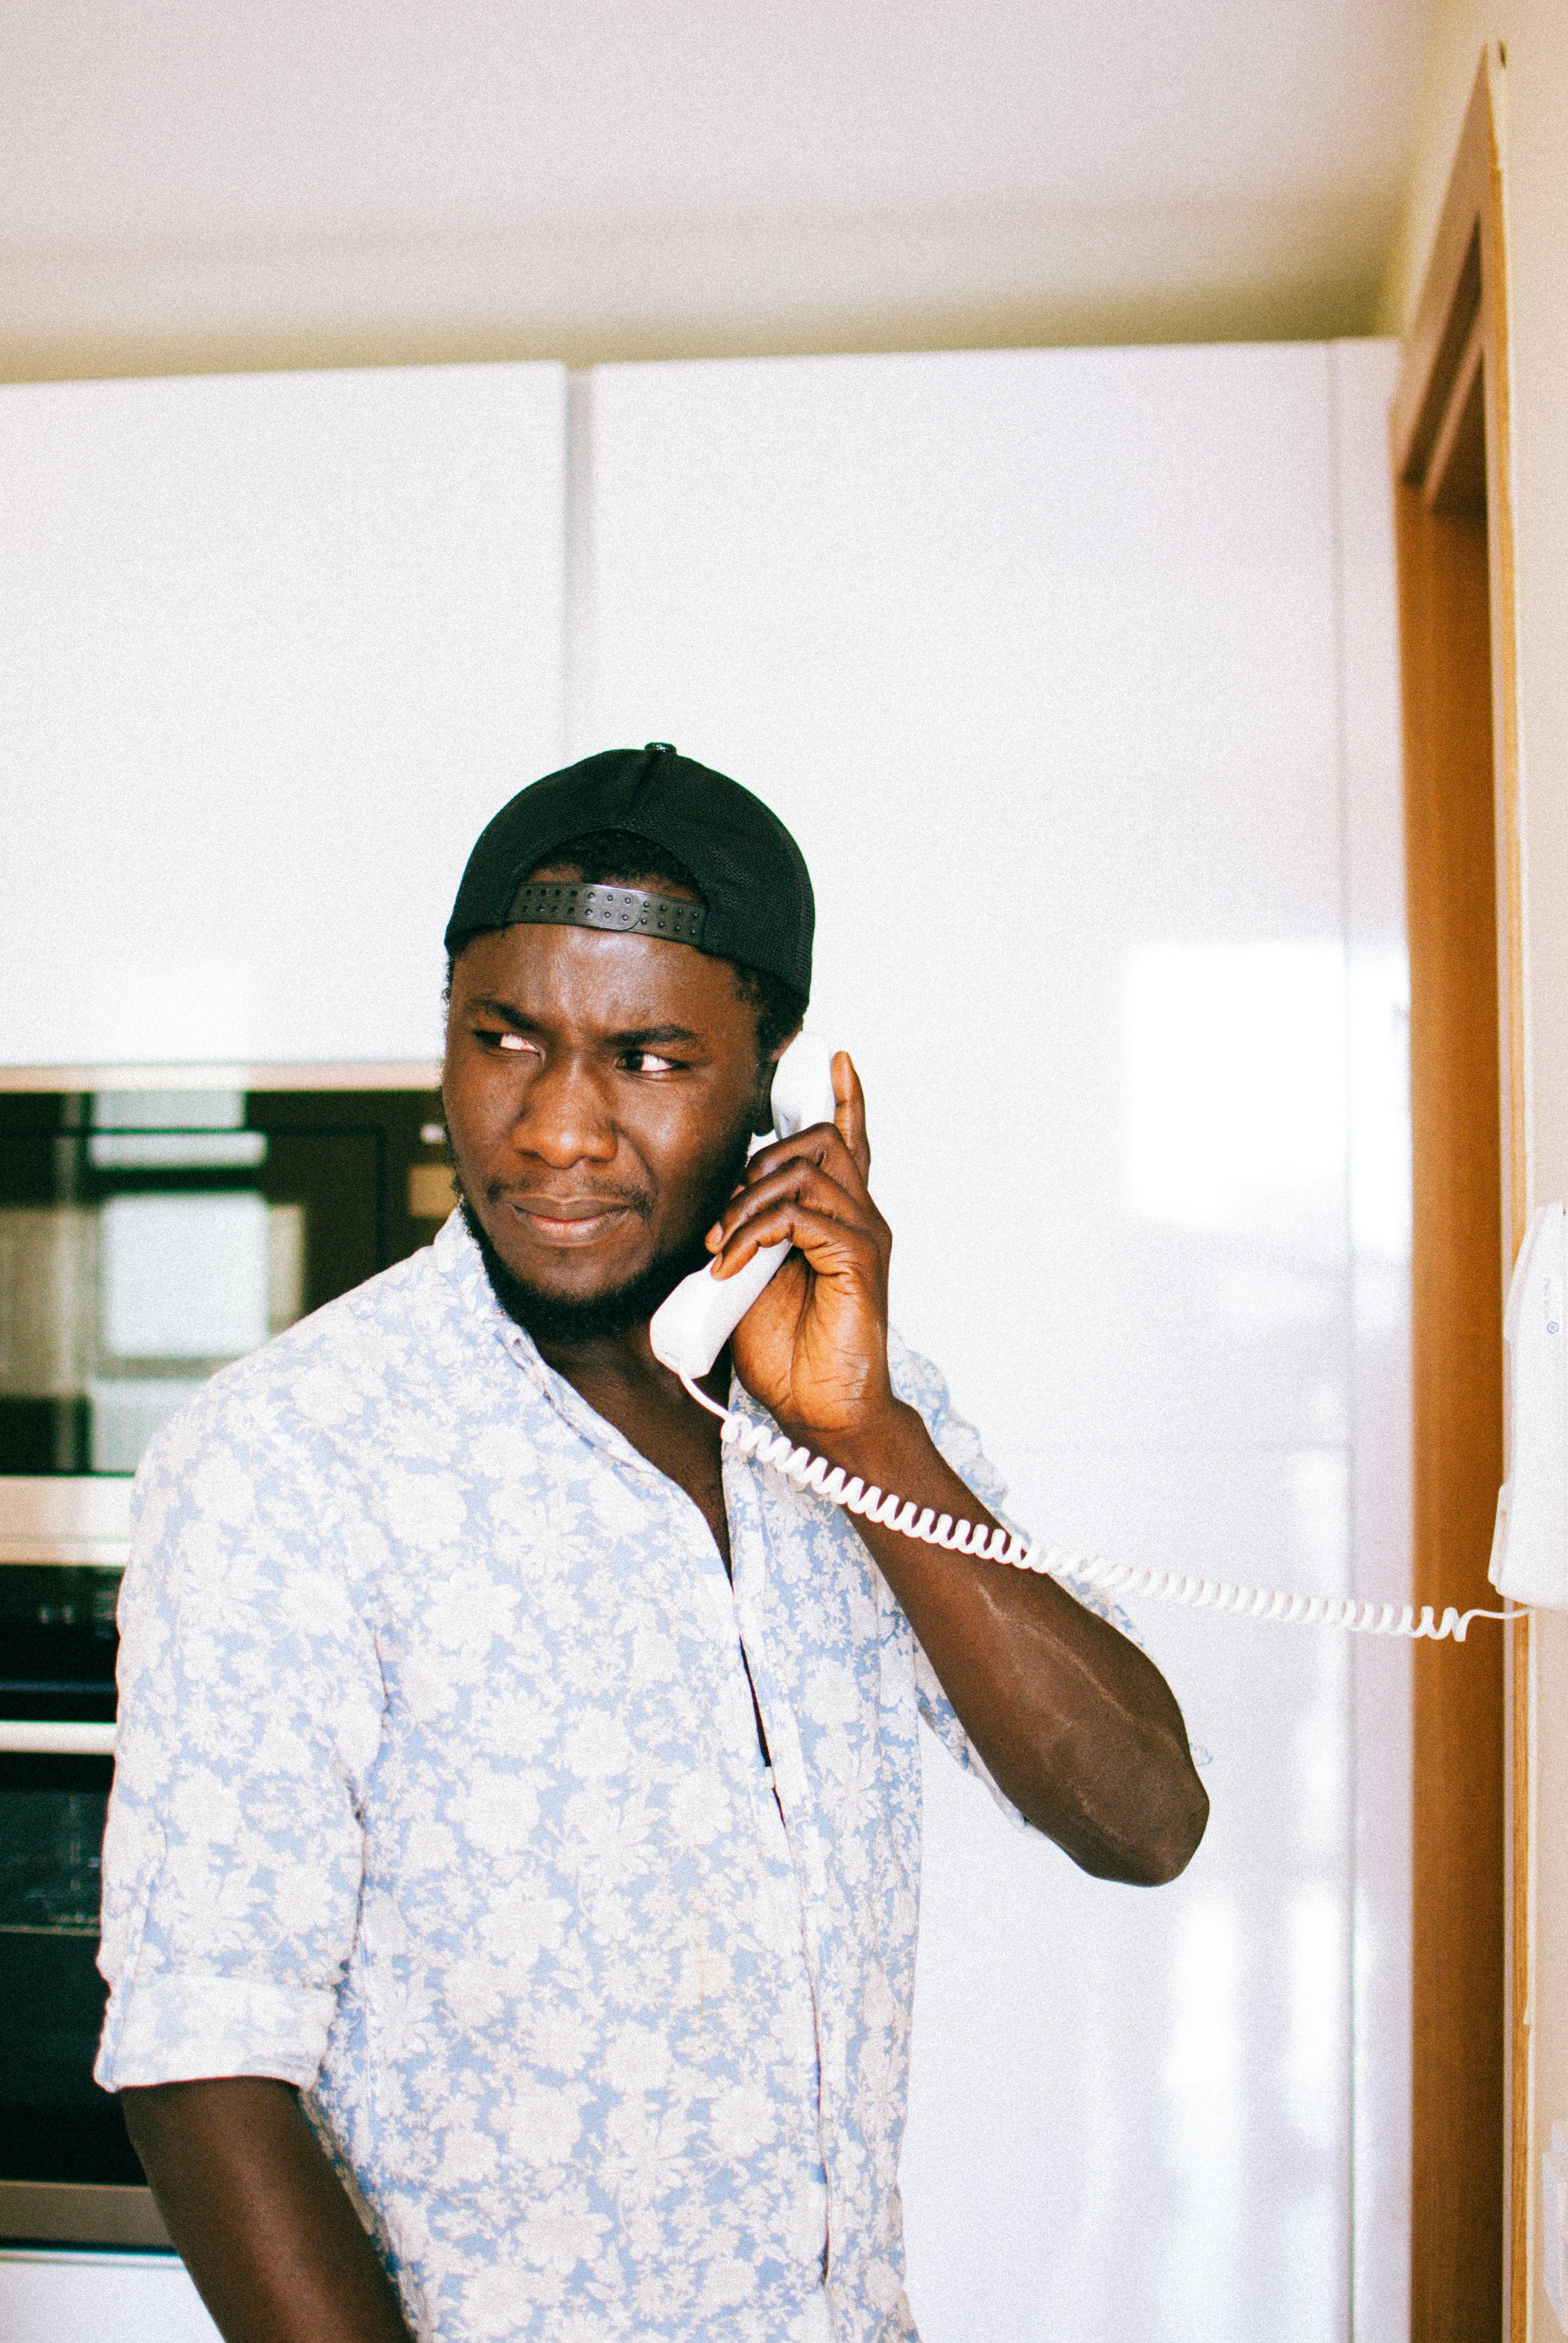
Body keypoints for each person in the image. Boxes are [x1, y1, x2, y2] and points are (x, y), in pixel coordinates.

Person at [97, 744, 1207, 2343]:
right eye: (505, 1042)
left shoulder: (859, 1412)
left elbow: (1143, 1816)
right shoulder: (290, 1458)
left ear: (776, 1089)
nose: (556, 1128)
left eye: (648, 1059)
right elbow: (205, 2068)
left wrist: (867, 1437)